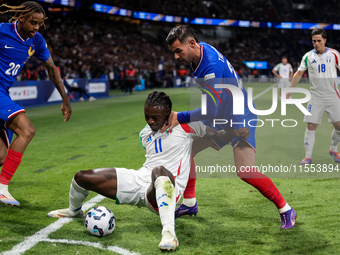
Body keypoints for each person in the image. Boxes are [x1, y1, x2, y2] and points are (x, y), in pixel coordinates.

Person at [47, 91, 249, 251]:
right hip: (142, 179)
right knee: (82, 177)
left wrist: (236, 133)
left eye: (156, 117)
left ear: (168, 113)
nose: (150, 121)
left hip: (170, 188)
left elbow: (219, 134)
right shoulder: (145, 133)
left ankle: (169, 233)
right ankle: (74, 210)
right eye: (147, 116)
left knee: (159, 172)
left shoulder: (188, 125)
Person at [164, 25, 296, 229]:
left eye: (178, 51)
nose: (175, 56)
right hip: (222, 113)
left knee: (246, 171)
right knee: (186, 150)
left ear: (191, 43)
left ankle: (286, 209)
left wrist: (179, 116)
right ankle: (189, 203)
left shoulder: (211, 67)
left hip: (239, 115)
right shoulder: (200, 52)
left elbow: (211, 111)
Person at [0, 2, 72, 206]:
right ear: (21, 18)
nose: (36, 28)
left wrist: (65, 99)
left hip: (3, 93)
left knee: (1, 156)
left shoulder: (37, 41)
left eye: (40, 24)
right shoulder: (2, 32)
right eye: (33, 23)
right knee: (27, 130)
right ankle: (2, 187)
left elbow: (51, 68)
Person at [287, 28, 340, 165]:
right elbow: (299, 73)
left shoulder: (334, 54)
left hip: (333, 95)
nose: (316, 44)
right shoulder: (308, 56)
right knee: (311, 125)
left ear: (325, 41)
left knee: (339, 126)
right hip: (316, 96)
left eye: (318, 41)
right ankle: (308, 156)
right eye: (314, 41)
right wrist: (290, 88)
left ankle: (333, 149)